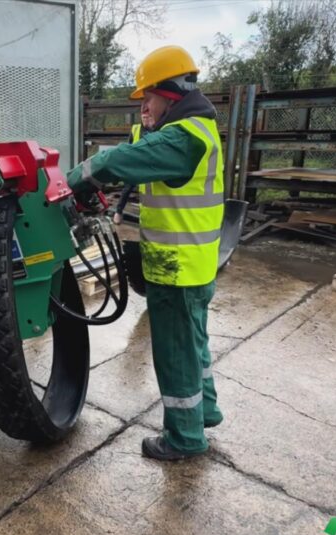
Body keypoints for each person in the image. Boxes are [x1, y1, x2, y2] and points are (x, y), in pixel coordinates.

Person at [66, 45, 225, 461]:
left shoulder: (183, 138)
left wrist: (76, 180)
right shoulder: (192, 128)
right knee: (194, 345)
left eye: (148, 98)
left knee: (175, 354)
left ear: (170, 94)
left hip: (177, 270)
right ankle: (205, 412)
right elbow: (140, 143)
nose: (142, 108)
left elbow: (123, 158)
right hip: (194, 266)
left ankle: (184, 438)